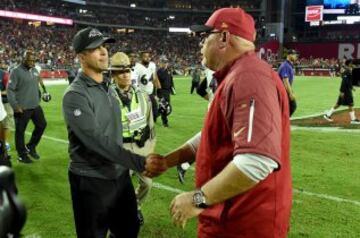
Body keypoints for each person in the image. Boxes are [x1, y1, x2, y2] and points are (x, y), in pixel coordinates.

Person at [153, 8, 292, 237]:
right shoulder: (237, 74)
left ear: (224, 37)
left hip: (244, 222)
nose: (200, 44)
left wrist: (197, 199)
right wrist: (168, 161)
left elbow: (257, 160)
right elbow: (213, 137)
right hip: (230, 216)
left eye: (205, 36)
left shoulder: (249, 77)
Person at [62, 27, 166, 238]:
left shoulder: (108, 88)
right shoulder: (75, 95)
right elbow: (95, 141)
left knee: (129, 229)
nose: (104, 52)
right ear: (81, 56)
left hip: (119, 175)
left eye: (104, 47)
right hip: (91, 179)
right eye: (95, 49)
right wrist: (139, 162)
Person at [109, 51, 156, 225]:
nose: (126, 74)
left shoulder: (142, 95)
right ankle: (124, 212)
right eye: (121, 71)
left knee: (147, 184)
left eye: (128, 70)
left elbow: (151, 125)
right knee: (119, 187)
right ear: (113, 75)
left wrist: (150, 149)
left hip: (141, 148)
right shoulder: (106, 97)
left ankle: (136, 206)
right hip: (121, 150)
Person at [7, 50, 48, 164]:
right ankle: (21, 155)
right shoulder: (16, 71)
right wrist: (15, 106)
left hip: (35, 106)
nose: (31, 62)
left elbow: (37, 82)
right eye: (29, 60)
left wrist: (43, 93)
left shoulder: (34, 70)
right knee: (20, 132)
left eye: (33, 60)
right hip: (22, 107)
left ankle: (30, 146)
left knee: (42, 125)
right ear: (23, 59)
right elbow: (10, 90)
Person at [324, 59, 360, 124]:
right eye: (352, 63)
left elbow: (347, 80)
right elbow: (344, 82)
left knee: (338, 104)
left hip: (346, 90)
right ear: (349, 64)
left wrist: (351, 87)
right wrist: (342, 91)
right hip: (345, 91)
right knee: (350, 104)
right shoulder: (347, 71)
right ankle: (353, 119)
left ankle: (327, 115)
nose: (353, 64)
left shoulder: (347, 70)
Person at [133, 51, 161, 122]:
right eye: (145, 56)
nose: (147, 58)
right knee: (142, 113)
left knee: (155, 112)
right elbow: (134, 82)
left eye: (149, 56)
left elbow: (154, 78)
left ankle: (151, 124)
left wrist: (159, 90)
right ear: (141, 58)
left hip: (150, 93)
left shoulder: (152, 65)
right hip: (141, 94)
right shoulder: (137, 67)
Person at [278, 49, 298, 116]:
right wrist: (290, 93)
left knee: (285, 108)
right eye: (294, 54)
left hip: (283, 91)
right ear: (289, 55)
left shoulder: (288, 65)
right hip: (283, 91)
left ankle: (282, 122)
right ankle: (282, 122)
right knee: (293, 106)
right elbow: (285, 81)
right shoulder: (286, 66)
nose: (295, 56)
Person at [157, 56, 174, 127]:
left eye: (166, 62)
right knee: (165, 107)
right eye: (164, 62)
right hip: (161, 91)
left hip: (167, 91)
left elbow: (171, 81)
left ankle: (155, 114)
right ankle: (165, 123)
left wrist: (172, 89)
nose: (165, 63)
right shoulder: (158, 72)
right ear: (160, 63)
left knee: (164, 107)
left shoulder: (169, 71)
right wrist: (159, 94)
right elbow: (156, 83)